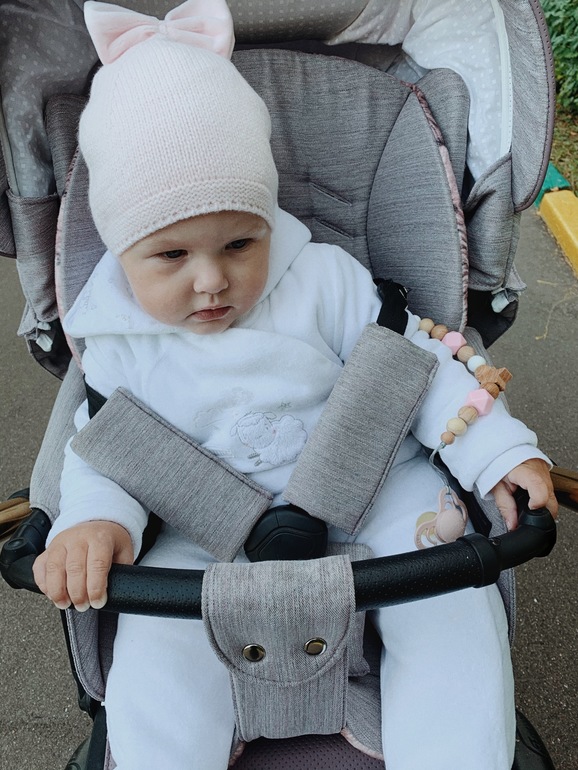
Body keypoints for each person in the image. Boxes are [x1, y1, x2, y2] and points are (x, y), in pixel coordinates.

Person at [33, 2, 557, 769]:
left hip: (378, 492)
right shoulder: (115, 340)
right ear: (118, 247)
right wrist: (97, 522)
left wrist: (498, 452)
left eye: (239, 242)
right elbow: (107, 451)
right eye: (171, 256)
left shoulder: (323, 279)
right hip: (197, 530)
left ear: (268, 218)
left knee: (452, 607)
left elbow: (420, 369)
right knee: (154, 649)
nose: (211, 280)